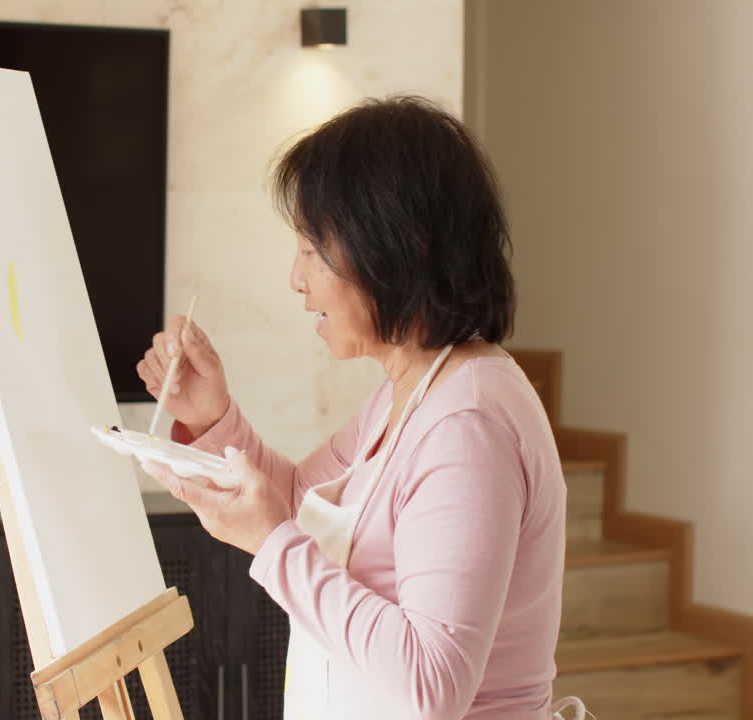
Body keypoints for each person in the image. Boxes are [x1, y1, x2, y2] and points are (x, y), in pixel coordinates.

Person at [137, 97, 585, 719]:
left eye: (312, 251)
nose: (297, 280)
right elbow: (301, 503)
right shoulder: (408, 392)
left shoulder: (467, 426)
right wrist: (214, 418)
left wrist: (271, 543)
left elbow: (433, 685)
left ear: (395, 247)